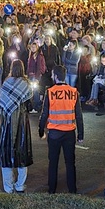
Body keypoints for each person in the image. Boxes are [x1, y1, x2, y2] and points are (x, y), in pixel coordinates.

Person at [39, 65, 84, 194]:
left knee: (53, 163)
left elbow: (44, 114)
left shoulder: (50, 92)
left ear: (56, 76)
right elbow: (79, 116)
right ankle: (72, 189)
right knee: (70, 163)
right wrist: (80, 135)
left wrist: (41, 130)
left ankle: (52, 189)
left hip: (54, 133)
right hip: (69, 132)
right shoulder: (74, 92)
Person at [0, 59, 33, 193]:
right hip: (22, 121)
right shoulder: (26, 84)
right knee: (22, 153)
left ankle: (8, 186)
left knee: (6, 153)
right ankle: (20, 185)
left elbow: (2, 105)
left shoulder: (6, 83)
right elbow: (30, 104)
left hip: (8, 122)